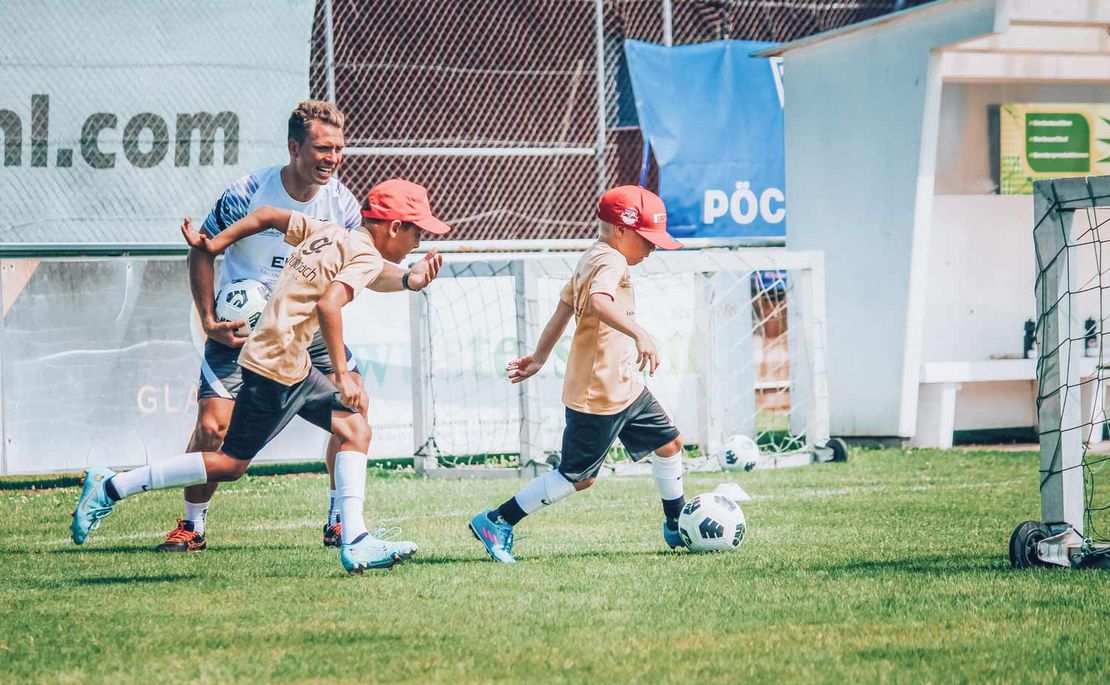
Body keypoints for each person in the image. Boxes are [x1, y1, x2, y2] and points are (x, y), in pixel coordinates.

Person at [72, 179, 450, 574]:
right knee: (230, 463)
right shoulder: (366, 255)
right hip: (279, 365)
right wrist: (343, 373)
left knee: (355, 430)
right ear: (393, 227)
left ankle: (355, 539)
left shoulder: (331, 233)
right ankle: (112, 486)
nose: (417, 242)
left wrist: (216, 244)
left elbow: (268, 216)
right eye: (417, 231)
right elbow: (330, 303)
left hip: (282, 358)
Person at [162, 100, 379, 553]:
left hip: (307, 329)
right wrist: (208, 320)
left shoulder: (342, 204)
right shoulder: (248, 192)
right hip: (242, 327)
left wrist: (410, 278)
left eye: (339, 148)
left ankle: (341, 520)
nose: (333, 159)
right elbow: (203, 250)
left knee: (355, 412)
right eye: (322, 148)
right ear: (294, 147)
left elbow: (360, 267)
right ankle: (191, 525)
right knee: (214, 427)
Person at [468, 186, 687, 563]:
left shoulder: (592, 257)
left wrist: (539, 356)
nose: (652, 249)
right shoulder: (611, 262)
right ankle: (497, 520)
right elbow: (599, 302)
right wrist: (641, 333)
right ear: (621, 230)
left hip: (625, 387)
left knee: (669, 444)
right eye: (648, 240)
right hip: (598, 393)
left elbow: (563, 308)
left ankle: (676, 523)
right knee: (578, 477)